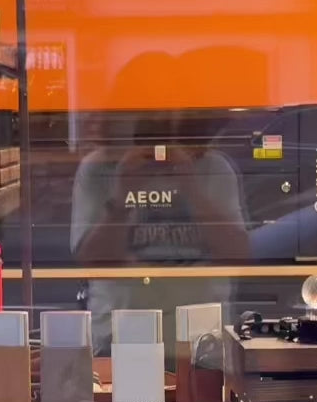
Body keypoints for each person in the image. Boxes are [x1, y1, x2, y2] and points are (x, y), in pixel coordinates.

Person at [69, 53, 249, 362]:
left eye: (164, 110)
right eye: (146, 109)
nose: (156, 122)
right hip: (120, 337)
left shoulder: (212, 168)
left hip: (200, 342)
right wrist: (124, 194)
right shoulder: (99, 170)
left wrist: (192, 189)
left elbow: (238, 254)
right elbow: (90, 258)